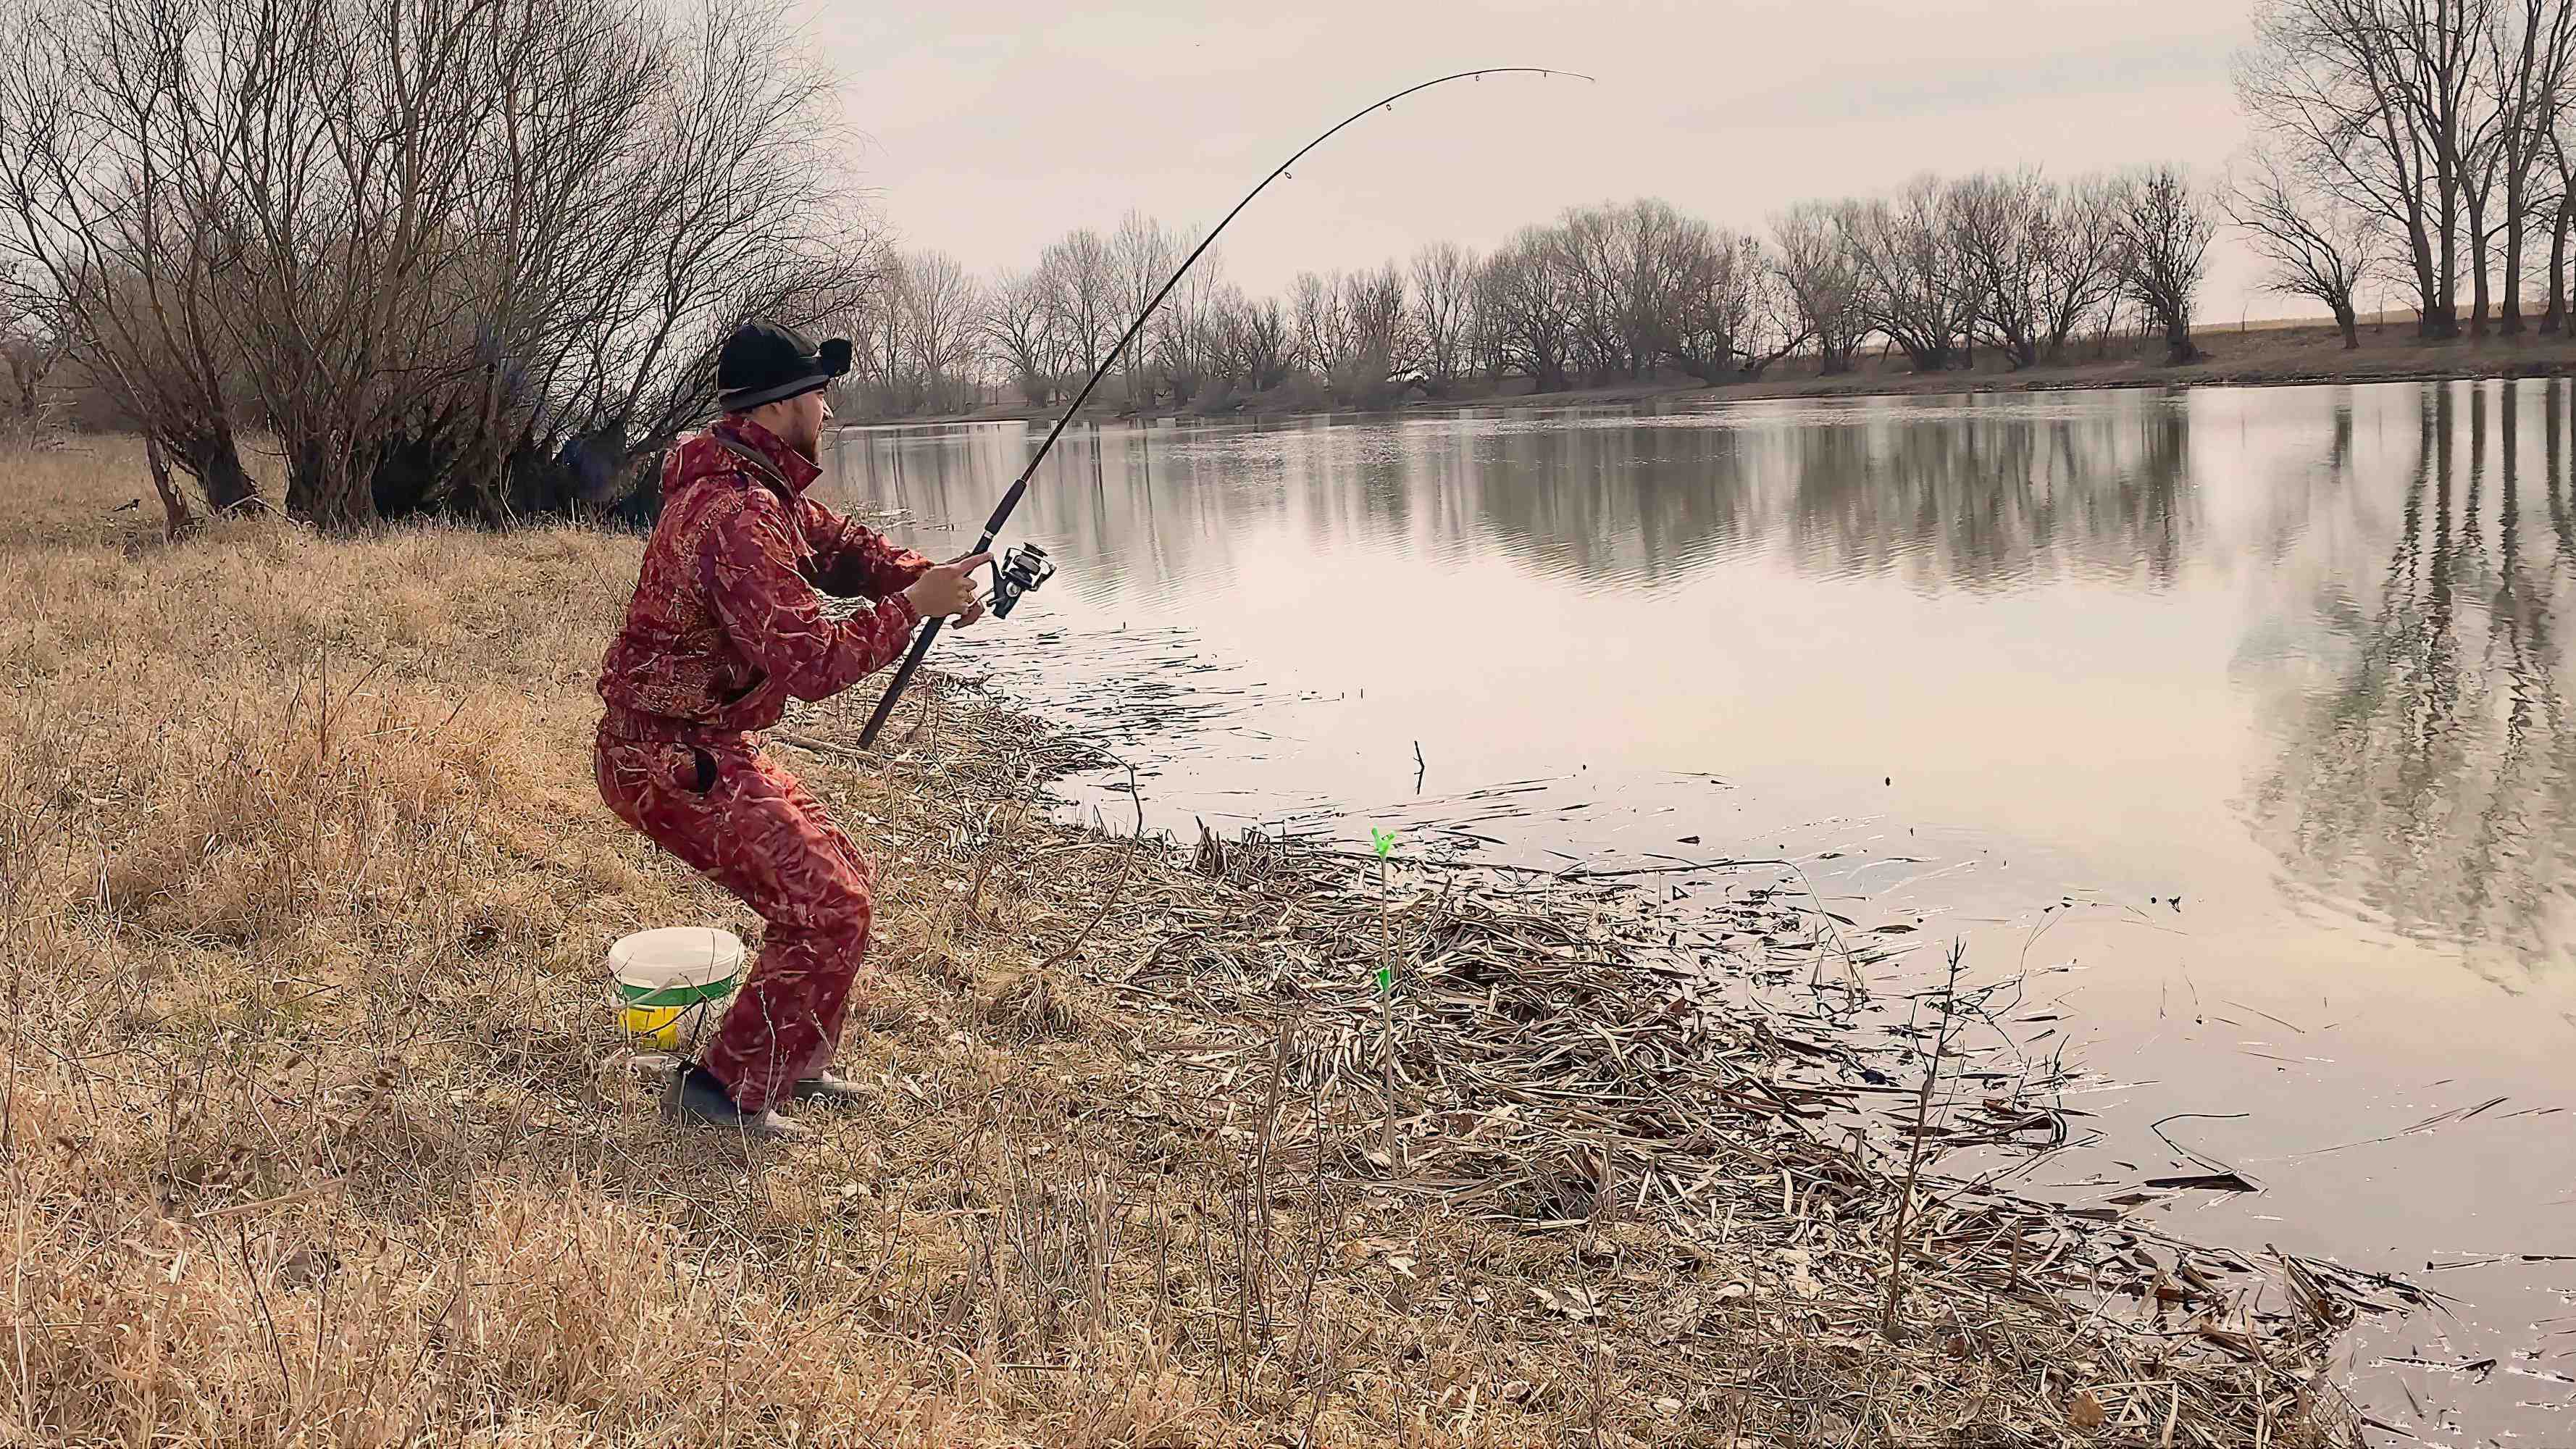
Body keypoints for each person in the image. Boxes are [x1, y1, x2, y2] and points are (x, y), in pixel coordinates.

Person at [593, 319, 987, 1140]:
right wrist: (911, 611)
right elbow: (807, 664)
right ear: (778, 409)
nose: (828, 407)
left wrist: (927, 576)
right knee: (827, 905)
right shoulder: (735, 515)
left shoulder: (760, 488)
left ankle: (793, 1060)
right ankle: (723, 1093)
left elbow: (838, 544)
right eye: (818, 392)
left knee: (841, 872)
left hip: (698, 742)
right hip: (663, 756)